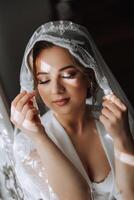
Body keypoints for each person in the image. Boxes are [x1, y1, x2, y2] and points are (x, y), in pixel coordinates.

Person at [10, 20, 134, 200]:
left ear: (88, 76)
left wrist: (123, 139)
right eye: (44, 80)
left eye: (68, 75)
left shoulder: (117, 123)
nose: (56, 90)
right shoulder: (27, 145)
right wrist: (40, 137)